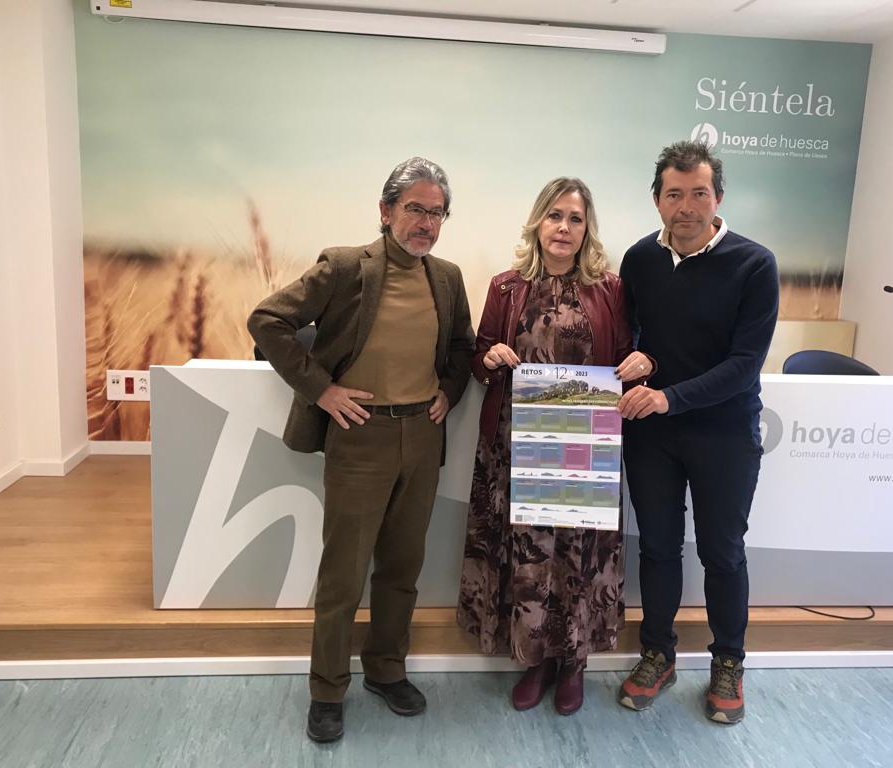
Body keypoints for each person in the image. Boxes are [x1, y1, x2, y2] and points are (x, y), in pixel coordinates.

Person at [248, 157, 474, 743]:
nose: (426, 222)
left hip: (422, 438)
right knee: (344, 572)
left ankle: (386, 670)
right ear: (386, 211)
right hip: (361, 436)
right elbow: (267, 320)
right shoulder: (348, 266)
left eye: (436, 212)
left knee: (402, 566)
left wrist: (449, 392)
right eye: (415, 208)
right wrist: (321, 391)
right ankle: (327, 689)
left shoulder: (446, 277)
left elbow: (461, 346)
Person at [457, 177, 645, 715]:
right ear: (538, 222)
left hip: (584, 443)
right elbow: (479, 353)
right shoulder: (505, 286)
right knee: (531, 554)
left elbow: (630, 351)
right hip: (519, 445)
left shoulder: (610, 288)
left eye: (575, 219)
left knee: (579, 554)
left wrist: (642, 363)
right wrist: (488, 357)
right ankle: (536, 657)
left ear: (588, 230)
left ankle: (574, 661)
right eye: (555, 216)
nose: (564, 228)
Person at [615, 141, 779, 725]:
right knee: (657, 547)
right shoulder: (638, 260)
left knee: (722, 552)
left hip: (725, 435)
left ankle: (728, 662)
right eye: (674, 194)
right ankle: (657, 653)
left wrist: (669, 396)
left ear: (718, 198)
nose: (686, 207)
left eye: (698, 193)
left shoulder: (754, 264)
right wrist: (639, 363)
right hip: (652, 436)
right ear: (657, 200)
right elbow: (630, 338)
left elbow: (744, 363)